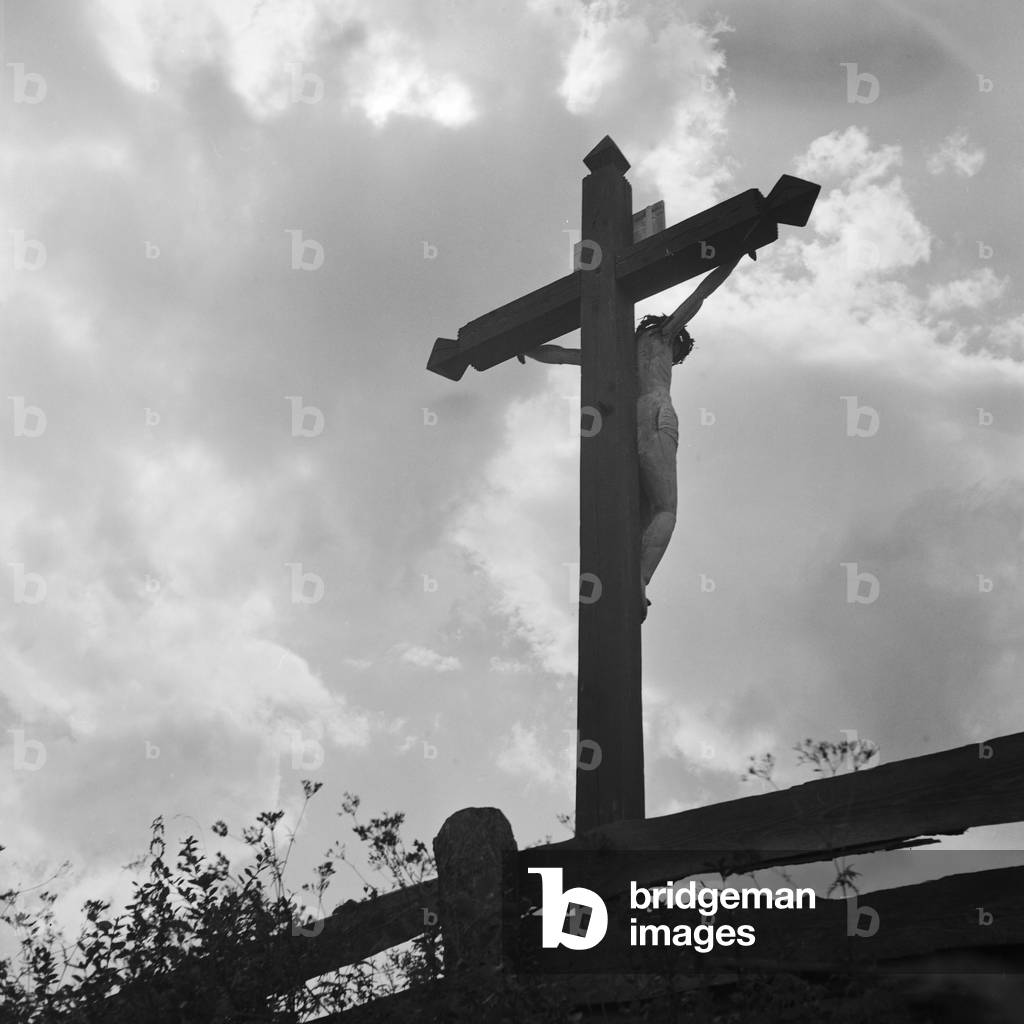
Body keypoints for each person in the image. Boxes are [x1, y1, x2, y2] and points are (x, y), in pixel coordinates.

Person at [520, 254, 743, 621]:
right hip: (658, 413)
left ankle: (629, 570)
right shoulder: (663, 337)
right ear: (675, 342)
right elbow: (700, 296)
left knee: (638, 512)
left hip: (628, 423)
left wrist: (523, 346)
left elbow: (560, 355)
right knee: (665, 508)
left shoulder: (618, 356)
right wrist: (734, 255)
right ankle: (639, 577)